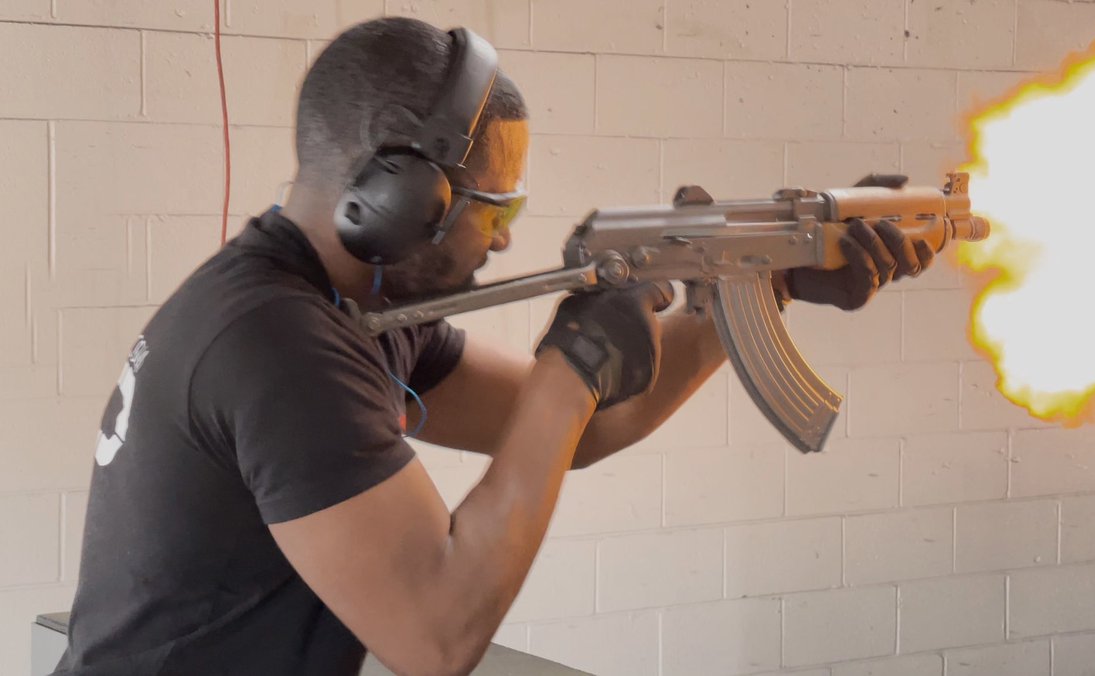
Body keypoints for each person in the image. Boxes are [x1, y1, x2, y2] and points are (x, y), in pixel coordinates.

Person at [53, 16, 934, 676]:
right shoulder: (280, 346)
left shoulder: (350, 307)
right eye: (495, 207)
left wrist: (765, 284)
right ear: (402, 196)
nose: (507, 238)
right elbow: (437, 637)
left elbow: (585, 428)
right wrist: (571, 367)